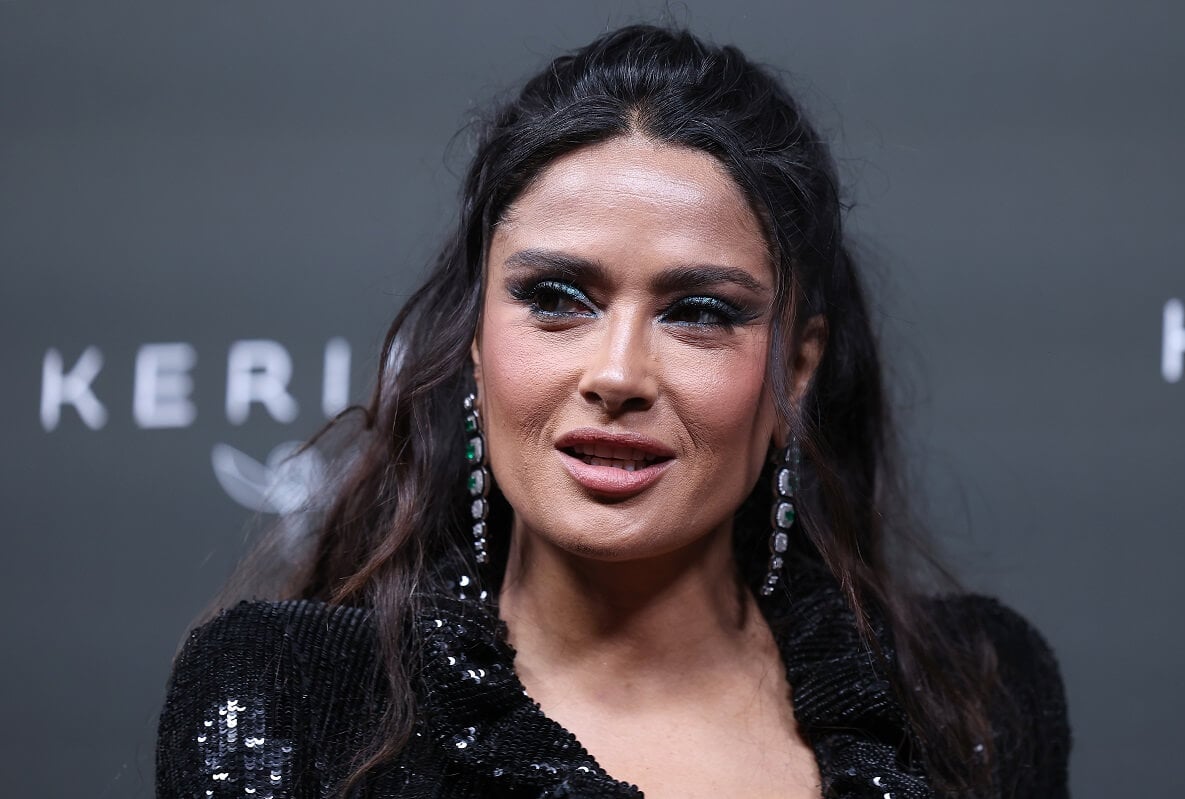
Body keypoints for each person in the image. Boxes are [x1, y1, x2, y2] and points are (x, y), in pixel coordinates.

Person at [156, 24, 1070, 799]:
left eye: (700, 312)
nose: (618, 372)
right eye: (556, 297)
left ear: (796, 367)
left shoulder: (978, 696)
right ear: (475, 338)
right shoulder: (289, 699)